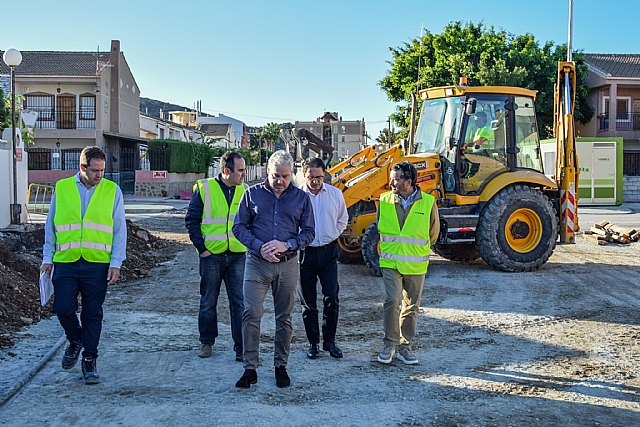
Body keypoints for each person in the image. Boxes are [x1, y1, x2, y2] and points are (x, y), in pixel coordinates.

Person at [40, 146, 127, 384]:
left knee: (92, 314)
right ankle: (75, 339)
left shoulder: (112, 190)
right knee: (63, 308)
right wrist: (48, 258)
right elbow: (51, 225)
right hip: (65, 261)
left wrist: (116, 262)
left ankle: (89, 360)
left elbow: (120, 230)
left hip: (97, 264)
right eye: (95, 170)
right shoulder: (63, 187)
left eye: (103, 170)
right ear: (82, 167)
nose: (100, 175)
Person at [232, 150, 315, 389]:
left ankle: (281, 366)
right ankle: (250, 368)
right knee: (251, 313)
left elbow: (309, 232)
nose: (280, 181)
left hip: (288, 265)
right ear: (267, 171)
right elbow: (239, 227)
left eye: (285, 176)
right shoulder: (252, 195)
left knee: (284, 318)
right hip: (257, 264)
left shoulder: (301, 198)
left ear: (292, 175)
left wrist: (287, 244)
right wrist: (259, 247)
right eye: (276, 175)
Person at [185, 151, 247, 361]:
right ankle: (207, 342)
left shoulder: (244, 191)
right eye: (240, 170)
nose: (244, 175)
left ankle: (241, 347)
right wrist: (202, 248)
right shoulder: (205, 189)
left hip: (238, 255)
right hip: (211, 255)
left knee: (239, 302)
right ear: (226, 171)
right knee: (208, 300)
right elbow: (192, 220)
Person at [376, 161, 439, 365]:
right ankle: (389, 343)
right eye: (391, 178)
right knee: (392, 301)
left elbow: (433, 233)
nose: (391, 182)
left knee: (411, 307)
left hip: (415, 264)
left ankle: (405, 345)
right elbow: (379, 228)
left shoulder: (428, 202)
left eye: (395, 179)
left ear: (409, 181)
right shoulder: (384, 200)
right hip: (390, 262)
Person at [298, 157, 348, 359]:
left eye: (319, 177)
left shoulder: (335, 194)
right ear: (304, 175)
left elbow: (342, 218)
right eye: (311, 177)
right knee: (308, 302)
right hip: (305, 254)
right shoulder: (296, 196)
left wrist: (332, 234)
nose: (315, 181)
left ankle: (330, 341)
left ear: (324, 174)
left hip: (328, 253)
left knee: (331, 297)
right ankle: (313, 343)